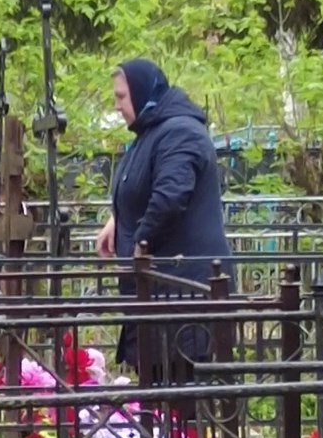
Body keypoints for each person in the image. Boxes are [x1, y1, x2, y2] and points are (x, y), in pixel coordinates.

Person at [93, 58, 233, 375]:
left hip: (182, 290)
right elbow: (143, 185)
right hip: (159, 289)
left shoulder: (180, 132)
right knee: (156, 386)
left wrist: (138, 245)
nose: (116, 106)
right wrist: (119, 217)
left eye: (121, 97)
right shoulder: (152, 132)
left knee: (179, 390)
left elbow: (170, 197)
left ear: (142, 92)